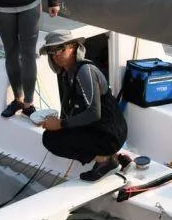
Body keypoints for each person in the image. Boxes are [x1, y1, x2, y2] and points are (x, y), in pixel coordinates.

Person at [37, 30, 129, 181]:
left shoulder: (85, 71)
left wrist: (61, 124)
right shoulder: (68, 73)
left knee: (50, 140)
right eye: (51, 52)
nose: (56, 55)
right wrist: (53, 122)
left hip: (110, 135)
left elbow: (94, 113)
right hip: (100, 129)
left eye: (60, 49)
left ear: (73, 47)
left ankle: (105, 160)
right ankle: (109, 156)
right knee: (52, 134)